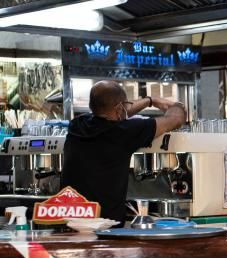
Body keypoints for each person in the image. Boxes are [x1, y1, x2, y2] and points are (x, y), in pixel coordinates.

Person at [61, 81, 186, 224]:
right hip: (105, 226)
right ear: (120, 108)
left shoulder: (77, 125)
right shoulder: (125, 132)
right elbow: (176, 119)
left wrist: (150, 101)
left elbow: (117, 111)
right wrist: (178, 106)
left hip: (70, 221)